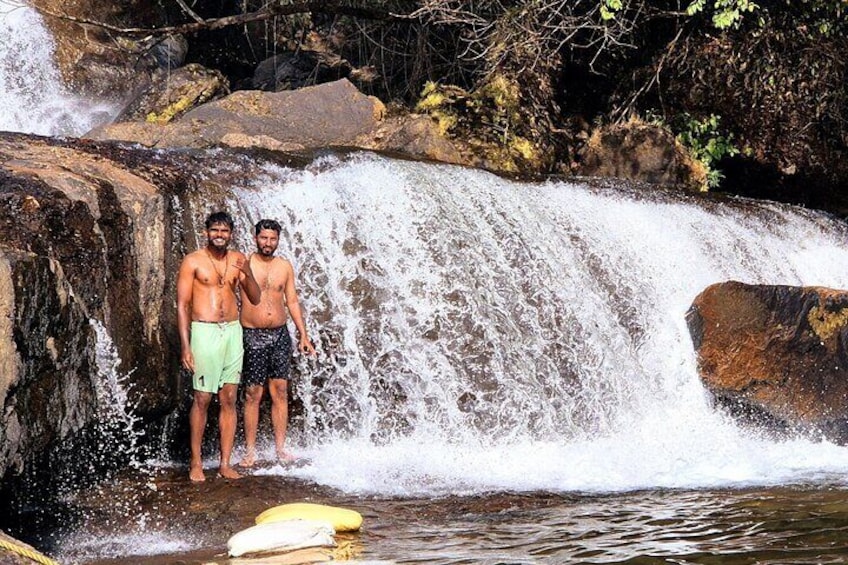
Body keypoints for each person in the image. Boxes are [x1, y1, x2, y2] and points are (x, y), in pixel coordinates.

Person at [177, 211, 261, 482]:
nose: (219, 235)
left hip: (233, 332)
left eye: (224, 231)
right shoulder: (193, 261)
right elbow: (182, 305)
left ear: (231, 234)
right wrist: (186, 346)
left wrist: (246, 271)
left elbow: (255, 298)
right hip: (204, 331)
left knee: (229, 397)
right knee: (202, 398)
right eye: (215, 230)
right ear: (206, 232)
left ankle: (225, 462)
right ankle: (196, 462)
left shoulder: (238, 260)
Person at [239, 219, 315, 467]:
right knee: (253, 393)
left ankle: (280, 448)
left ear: (278, 240)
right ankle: (250, 451)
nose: (268, 243)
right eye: (263, 238)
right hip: (253, 335)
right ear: (255, 238)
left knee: (280, 391)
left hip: (280, 335)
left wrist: (303, 334)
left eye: (272, 239)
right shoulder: (245, 264)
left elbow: (292, 301)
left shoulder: (284, 266)